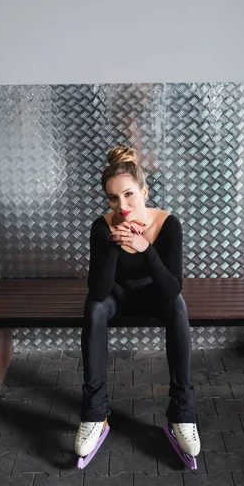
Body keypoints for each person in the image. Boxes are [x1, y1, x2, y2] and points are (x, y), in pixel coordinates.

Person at [74, 146, 200, 462]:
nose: (123, 205)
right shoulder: (101, 227)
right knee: (94, 307)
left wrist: (145, 248)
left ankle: (182, 413)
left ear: (144, 191)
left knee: (178, 307)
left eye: (129, 194)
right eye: (113, 198)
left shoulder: (168, 224)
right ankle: (94, 414)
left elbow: (171, 289)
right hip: (116, 296)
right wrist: (116, 244)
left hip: (154, 295)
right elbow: (99, 291)